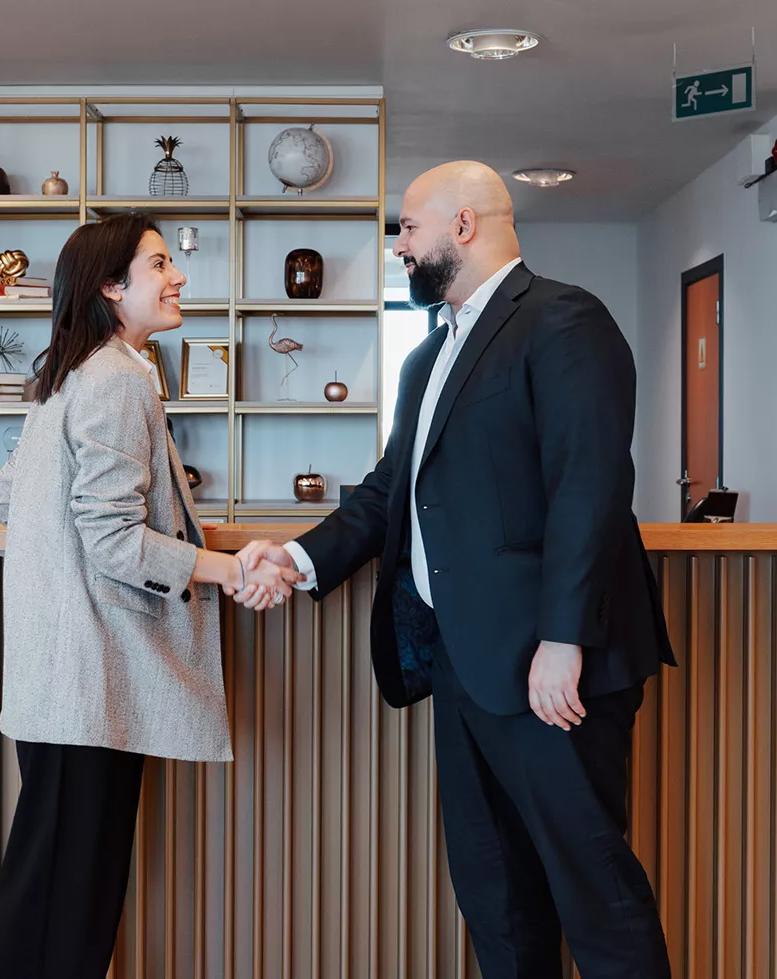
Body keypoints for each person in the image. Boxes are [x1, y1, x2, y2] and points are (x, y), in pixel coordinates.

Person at [239, 161, 674, 977]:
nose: (398, 245)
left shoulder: (564, 320)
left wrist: (563, 638)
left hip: (553, 675)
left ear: (464, 226)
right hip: (463, 671)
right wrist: (294, 558)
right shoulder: (426, 357)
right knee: (496, 898)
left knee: (596, 893)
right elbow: (385, 497)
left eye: (408, 227)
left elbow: (591, 483)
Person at [0, 213, 291, 979]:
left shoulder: (68, 375)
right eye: (159, 263)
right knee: (67, 917)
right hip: (90, 687)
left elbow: (10, 497)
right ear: (113, 287)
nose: (178, 274)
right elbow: (113, 540)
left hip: (60, 686)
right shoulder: (121, 378)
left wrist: (200, 535)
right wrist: (229, 568)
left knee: (47, 904)